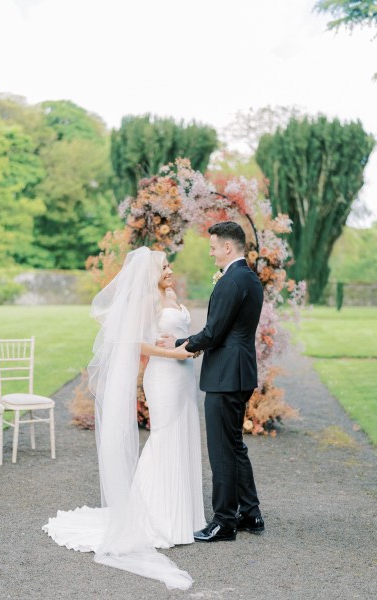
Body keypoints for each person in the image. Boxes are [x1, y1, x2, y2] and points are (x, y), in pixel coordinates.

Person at [43, 247, 206, 589]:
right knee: (163, 437)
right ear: (152, 271)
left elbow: (182, 334)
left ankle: (184, 516)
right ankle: (153, 517)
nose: (169, 270)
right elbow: (137, 345)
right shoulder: (147, 300)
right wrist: (175, 352)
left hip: (184, 377)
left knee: (183, 435)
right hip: (163, 375)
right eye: (164, 266)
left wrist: (191, 345)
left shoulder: (171, 295)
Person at [158, 221, 264, 542]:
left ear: (228, 248)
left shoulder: (232, 281)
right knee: (234, 446)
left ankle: (223, 521)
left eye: (214, 246)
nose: (211, 252)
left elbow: (214, 332)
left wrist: (180, 345)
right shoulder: (250, 278)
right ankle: (250, 512)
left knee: (221, 450)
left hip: (225, 375)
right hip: (240, 371)